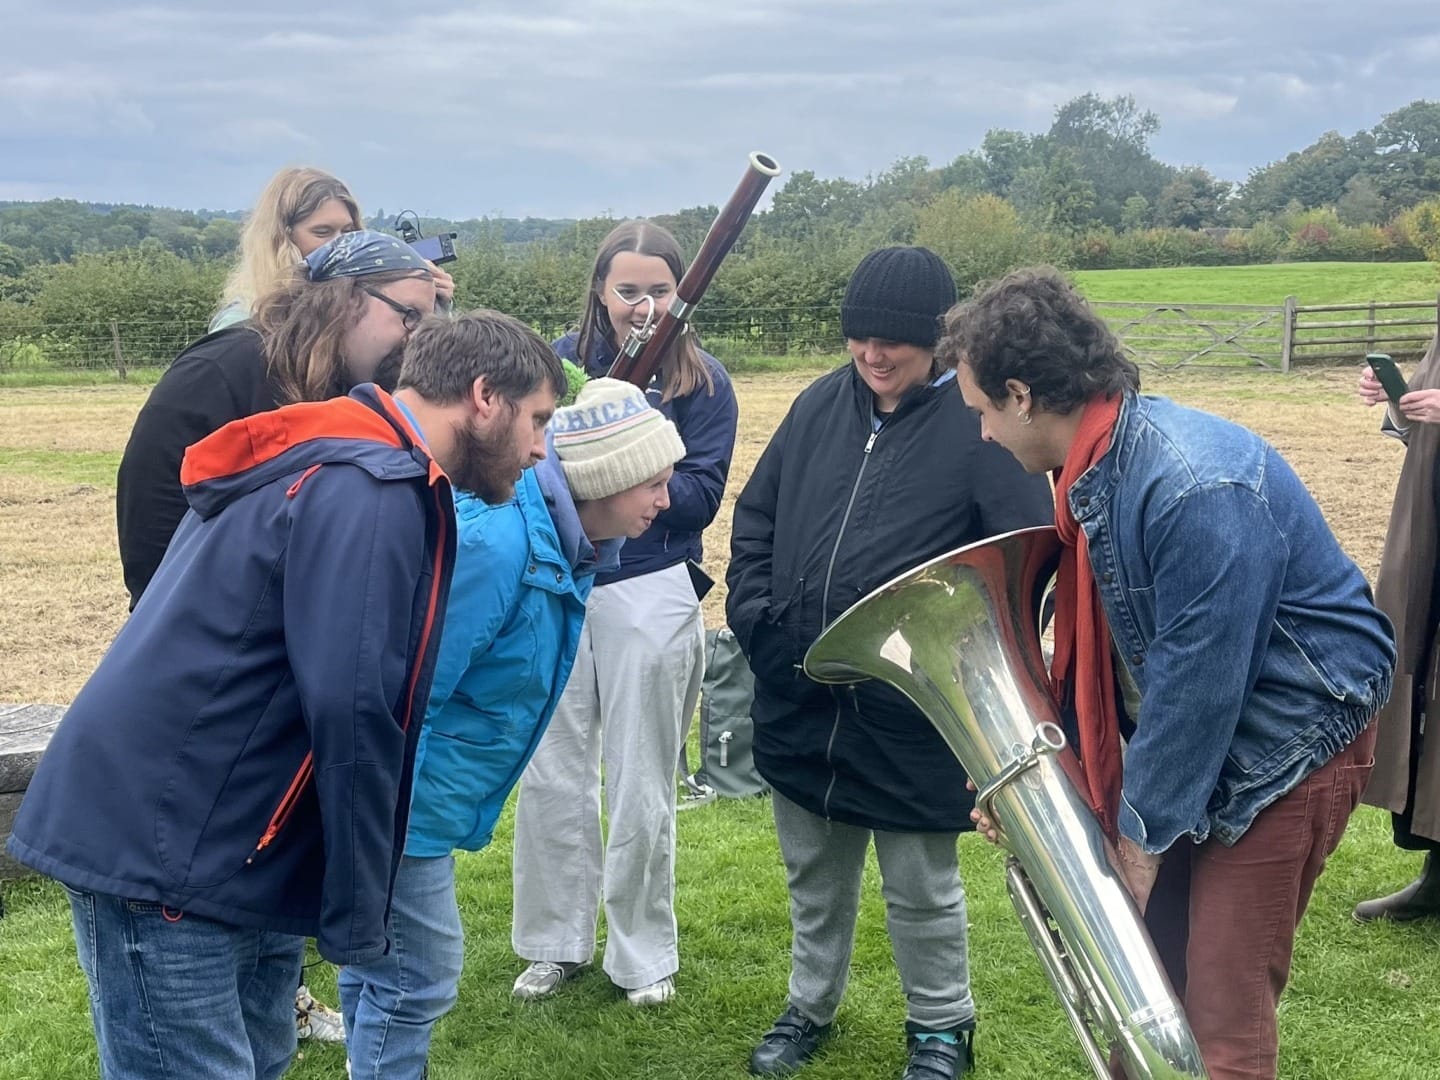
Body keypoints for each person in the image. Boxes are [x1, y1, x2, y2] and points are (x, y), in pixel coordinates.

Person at [5, 309, 553, 1080]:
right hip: (167, 845)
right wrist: (364, 909)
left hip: (238, 844)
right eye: (538, 420)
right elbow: (355, 708)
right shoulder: (364, 488)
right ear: (484, 395)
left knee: (261, 1064)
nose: (539, 449)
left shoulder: (356, 464)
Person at [947, 267, 1395, 1080]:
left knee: (1218, 1018)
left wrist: (1137, 844)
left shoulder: (1194, 485)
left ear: (1019, 394)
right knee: (1141, 989)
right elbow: (1126, 666)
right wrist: (1043, 792)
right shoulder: (1092, 473)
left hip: (1282, 753)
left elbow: (1197, 689)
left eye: (980, 411)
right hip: (1193, 739)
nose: (981, 433)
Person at [725, 246, 1054, 1080]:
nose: (873, 356)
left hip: (910, 709)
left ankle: (942, 1028)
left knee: (921, 887)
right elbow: (756, 521)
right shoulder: (816, 407)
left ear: (939, 342)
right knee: (813, 878)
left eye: (894, 342)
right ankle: (809, 1006)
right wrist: (760, 624)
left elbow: (1024, 565)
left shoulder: (979, 428)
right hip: (798, 692)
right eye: (859, 338)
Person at [340, 376, 687, 1078]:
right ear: (604, 479)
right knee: (421, 976)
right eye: (652, 482)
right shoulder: (502, 548)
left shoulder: (565, 540)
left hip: (418, 802)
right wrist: (381, 813)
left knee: (383, 966)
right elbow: (409, 691)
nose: (668, 500)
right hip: (405, 803)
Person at [510, 220, 738, 1007]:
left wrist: (630, 449)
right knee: (552, 770)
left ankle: (642, 957)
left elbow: (700, 499)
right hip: (559, 581)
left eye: (660, 289)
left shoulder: (704, 382)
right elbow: (529, 472)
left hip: (650, 584)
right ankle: (552, 942)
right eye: (628, 288)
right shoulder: (559, 366)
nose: (643, 304)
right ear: (601, 291)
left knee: (642, 779)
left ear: (682, 293)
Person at [118, 228, 438, 608]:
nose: (417, 338)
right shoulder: (220, 371)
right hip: (205, 629)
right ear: (348, 300)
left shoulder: (360, 391)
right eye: (410, 316)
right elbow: (151, 523)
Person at [1353, 334, 1440, 921]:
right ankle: (1437, 873)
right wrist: (1395, 400)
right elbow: (1418, 427)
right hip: (1429, 521)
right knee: (1422, 675)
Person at [210, 165, 453, 333]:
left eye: (348, 232)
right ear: (282, 238)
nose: (339, 243)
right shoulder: (242, 322)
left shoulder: (363, 307)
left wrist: (431, 309)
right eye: (322, 232)